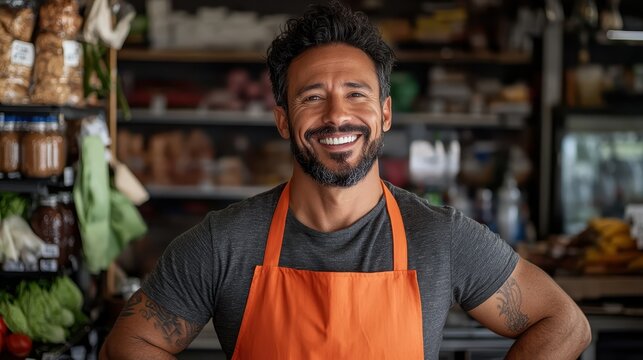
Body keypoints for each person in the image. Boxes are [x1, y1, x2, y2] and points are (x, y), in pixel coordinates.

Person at [100, 1, 591, 359]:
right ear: (283, 120)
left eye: (356, 94)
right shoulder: (224, 241)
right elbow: (129, 345)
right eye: (312, 97)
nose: (337, 116)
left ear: (385, 113)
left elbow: (565, 324)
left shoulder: (440, 237)